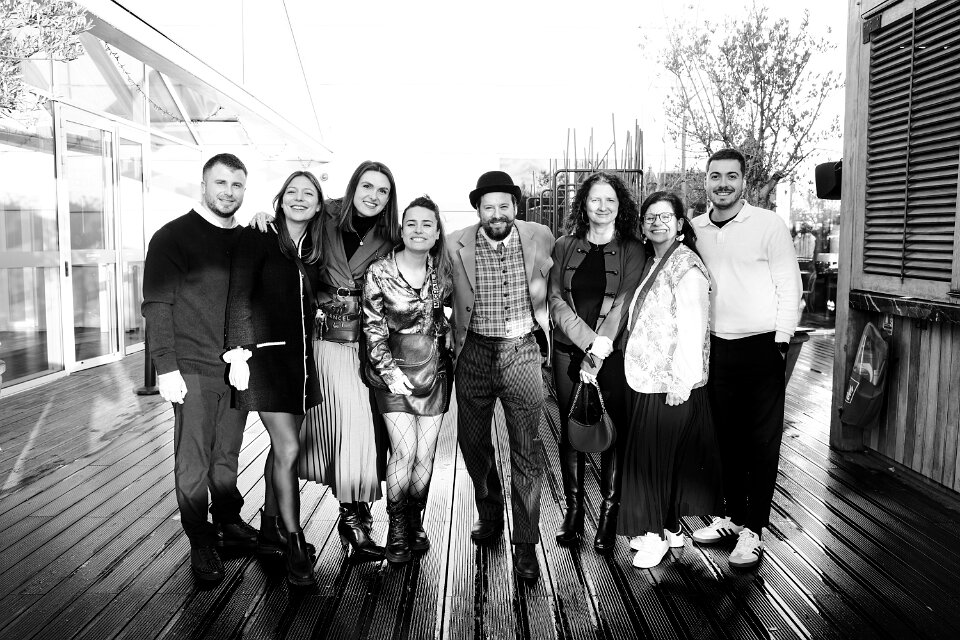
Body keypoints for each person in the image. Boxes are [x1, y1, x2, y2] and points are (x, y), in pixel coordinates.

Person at [141, 153, 258, 585]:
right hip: (190, 366)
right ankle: (200, 538)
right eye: (221, 182)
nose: (229, 192)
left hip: (237, 366)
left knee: (227, 452)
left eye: (237, 185)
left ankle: (228, 520)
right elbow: (157, 304)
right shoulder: (173, 237)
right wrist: (165, 366)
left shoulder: (248, 240)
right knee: (193, 457)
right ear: (204, 185)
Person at [689, 148, 802, 569]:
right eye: (715, 176)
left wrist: (781, 341)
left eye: (731, 176)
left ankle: (754, 531)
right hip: (714, 347)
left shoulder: (768, 224)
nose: (723, 184)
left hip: (761, 346)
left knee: (761, 442)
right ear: (706, 181)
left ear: (743, 181)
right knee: (724, 440)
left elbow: (789, 284)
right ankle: (733, 518)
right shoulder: (694, 229)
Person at [447, 170, 555, 582]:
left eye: (504, 206)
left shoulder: (540, 236)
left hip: (522, 352)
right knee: (472, 443)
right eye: (488, 207)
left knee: (527, 450)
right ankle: (489, 509)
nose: (496, 214)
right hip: (474, 351)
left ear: (515, 207)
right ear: (478, 209)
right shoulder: (454, 244)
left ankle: (525, 543)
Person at [223, 171, 325, 586]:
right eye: (292, 192)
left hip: (301, 366)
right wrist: (238, 351)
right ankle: (295, 540)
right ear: (280, 200)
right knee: (288, 447)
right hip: (263, 362)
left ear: (319, 205)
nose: (299, 198)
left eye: (309, 194)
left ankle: (270, 531)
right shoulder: (259, 235)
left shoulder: (314, 248)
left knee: (282, 451)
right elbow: (239, 295)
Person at [300, 161, 399, 562]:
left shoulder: (392, 235)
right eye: (367, 186)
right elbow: (289, 228)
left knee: (366, 428)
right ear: (354, 185)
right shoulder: (324, 214)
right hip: (327, 336)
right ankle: (353, 520)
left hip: (369, 338)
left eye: (383, 191)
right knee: (352, 423)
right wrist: (262, 218)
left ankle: (356, 511)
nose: (373, 196)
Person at [618, 191, 723, 569]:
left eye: (665, 217)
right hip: (649, 377)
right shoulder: (655, 261)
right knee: (662, 460)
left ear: (680, 224)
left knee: (654, 462)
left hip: (670, 383)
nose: (656, 223)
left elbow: (694, 327)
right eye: (650, 217)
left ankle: (656, 536)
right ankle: (669, 528)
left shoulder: (686, 266)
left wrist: (682, 382)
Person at [547, 171, 644, 553]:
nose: (602, 207)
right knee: (571, 430)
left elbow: (625, 301)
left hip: (612, 356)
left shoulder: (632, 248)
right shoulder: (564, 245)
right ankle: (573, 513)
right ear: (583, 204)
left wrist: (601, 350)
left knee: (612, 431)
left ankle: (608, 514)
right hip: (568, 353)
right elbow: (555, 300)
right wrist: (589, 344)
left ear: (620, 206)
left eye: (610, 200)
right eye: (594, 199)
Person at [361, 195, 454, 564]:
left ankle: (415, 522)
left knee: (426, 453)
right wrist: (388, 372)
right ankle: (396, 528)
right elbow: (372, 328)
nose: (418, 230)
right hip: (393, 373)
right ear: (401, 229)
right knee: (404, 451)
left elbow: (448, 316)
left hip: (434, 372)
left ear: (436, 233)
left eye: (426, 224)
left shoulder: (443, 271)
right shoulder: (379, 271)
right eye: (411, 223)